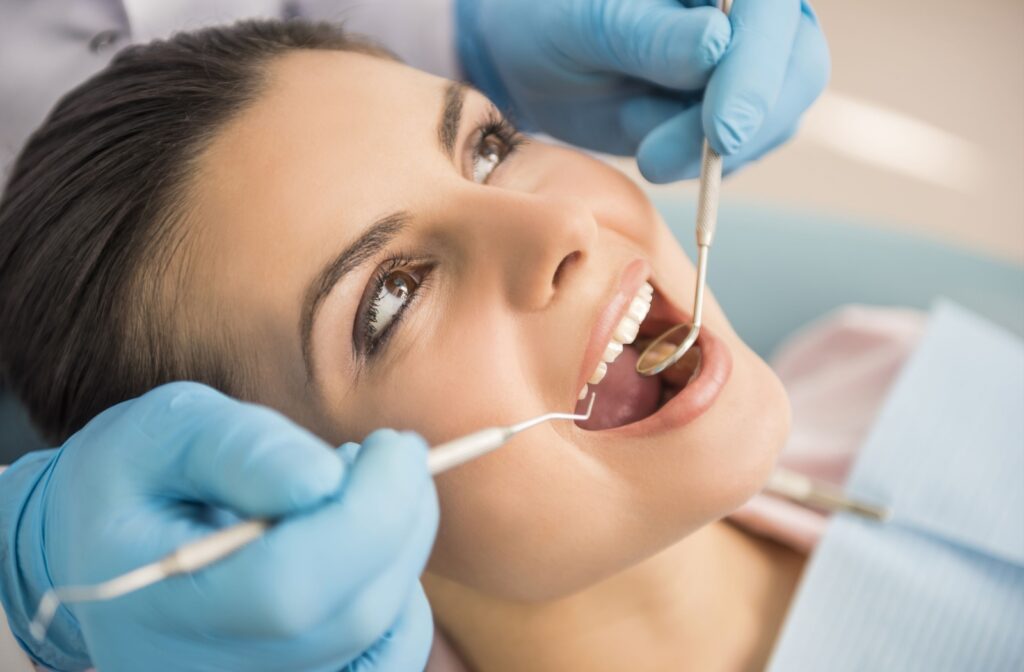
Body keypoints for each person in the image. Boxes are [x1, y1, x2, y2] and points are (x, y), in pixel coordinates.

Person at [0, 3, 829, 670]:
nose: (561, 224)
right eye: (390, 298)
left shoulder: (869, 355)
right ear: (259, 520)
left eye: (487, 149)